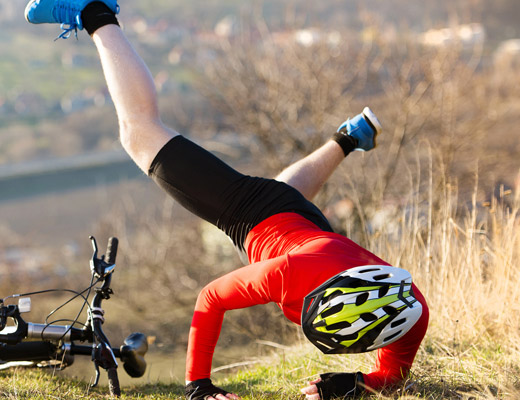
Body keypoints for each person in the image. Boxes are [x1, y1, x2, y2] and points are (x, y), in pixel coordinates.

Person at [23, 1, 431, 399]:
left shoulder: (410, 311)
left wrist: (354, 383)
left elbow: (391, 377)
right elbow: (211, 298)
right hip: (254, 217)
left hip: (301, 222)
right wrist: (198, 385)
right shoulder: (288, 272)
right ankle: (96, 13)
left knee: (283, 197)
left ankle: (348, 138)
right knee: (139, 132)